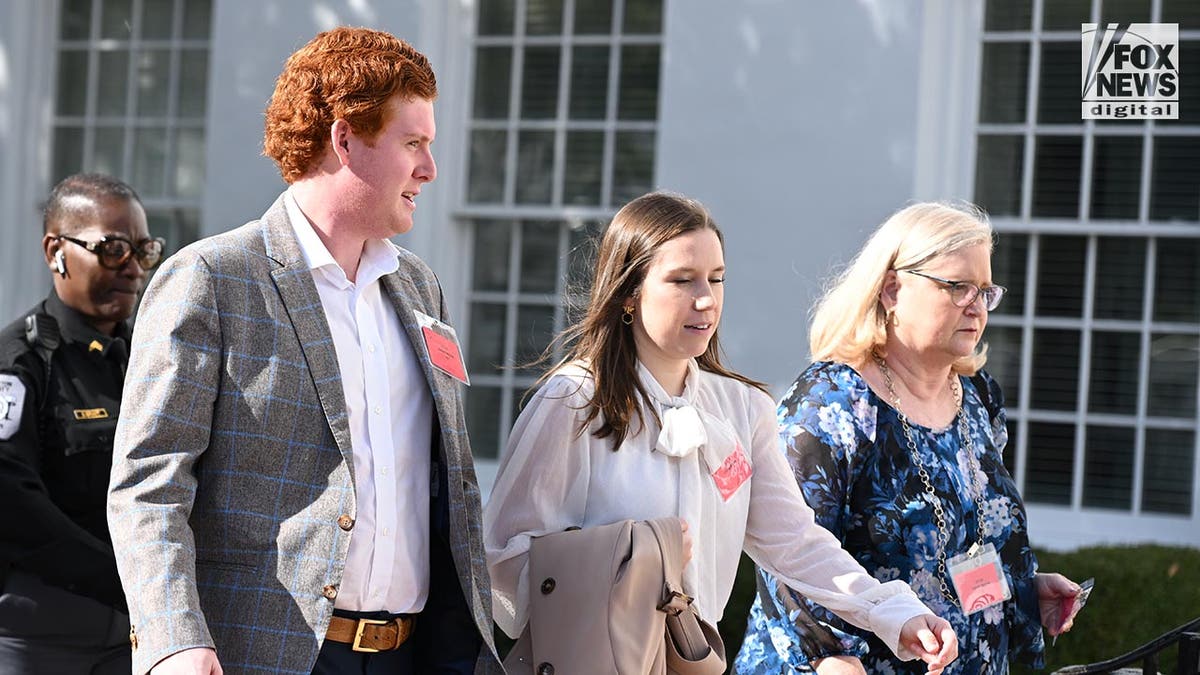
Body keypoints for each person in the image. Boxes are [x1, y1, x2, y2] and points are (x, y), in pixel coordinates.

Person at [106, 27, 500, 675]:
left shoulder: (419, 286)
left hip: (417, 655)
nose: (430, 169)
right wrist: (172, 635)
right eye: (414, 143)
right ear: (345, 138)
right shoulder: (211, 278)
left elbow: (447, 479)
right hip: (267, 654)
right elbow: (149, 484)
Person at [484, 192, 959, 673]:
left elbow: (796, 543)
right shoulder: (573, 401)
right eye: (681, 281)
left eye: (716, 279)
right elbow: (504, 559)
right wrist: (632, 560)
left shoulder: (744, 409)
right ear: (629, 293)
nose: (706, 299)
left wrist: (894, 614)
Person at [734, 202, 1084, 674]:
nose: (976, 306)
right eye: (957, 287)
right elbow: (787, 555)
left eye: (984, 290)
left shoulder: (978, 396)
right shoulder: (830, 403)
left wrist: (1021, 588)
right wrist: (831, 657)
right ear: (893, 289)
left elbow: (964, 537)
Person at [0, 173, 163, 673]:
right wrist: (120, 574)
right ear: (56, 251)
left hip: (139, 630)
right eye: (113, 248)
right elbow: (11, 498)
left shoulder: (153, 357)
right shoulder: (21, 362)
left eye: (144, 249)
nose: (133, 268)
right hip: (43, 632)